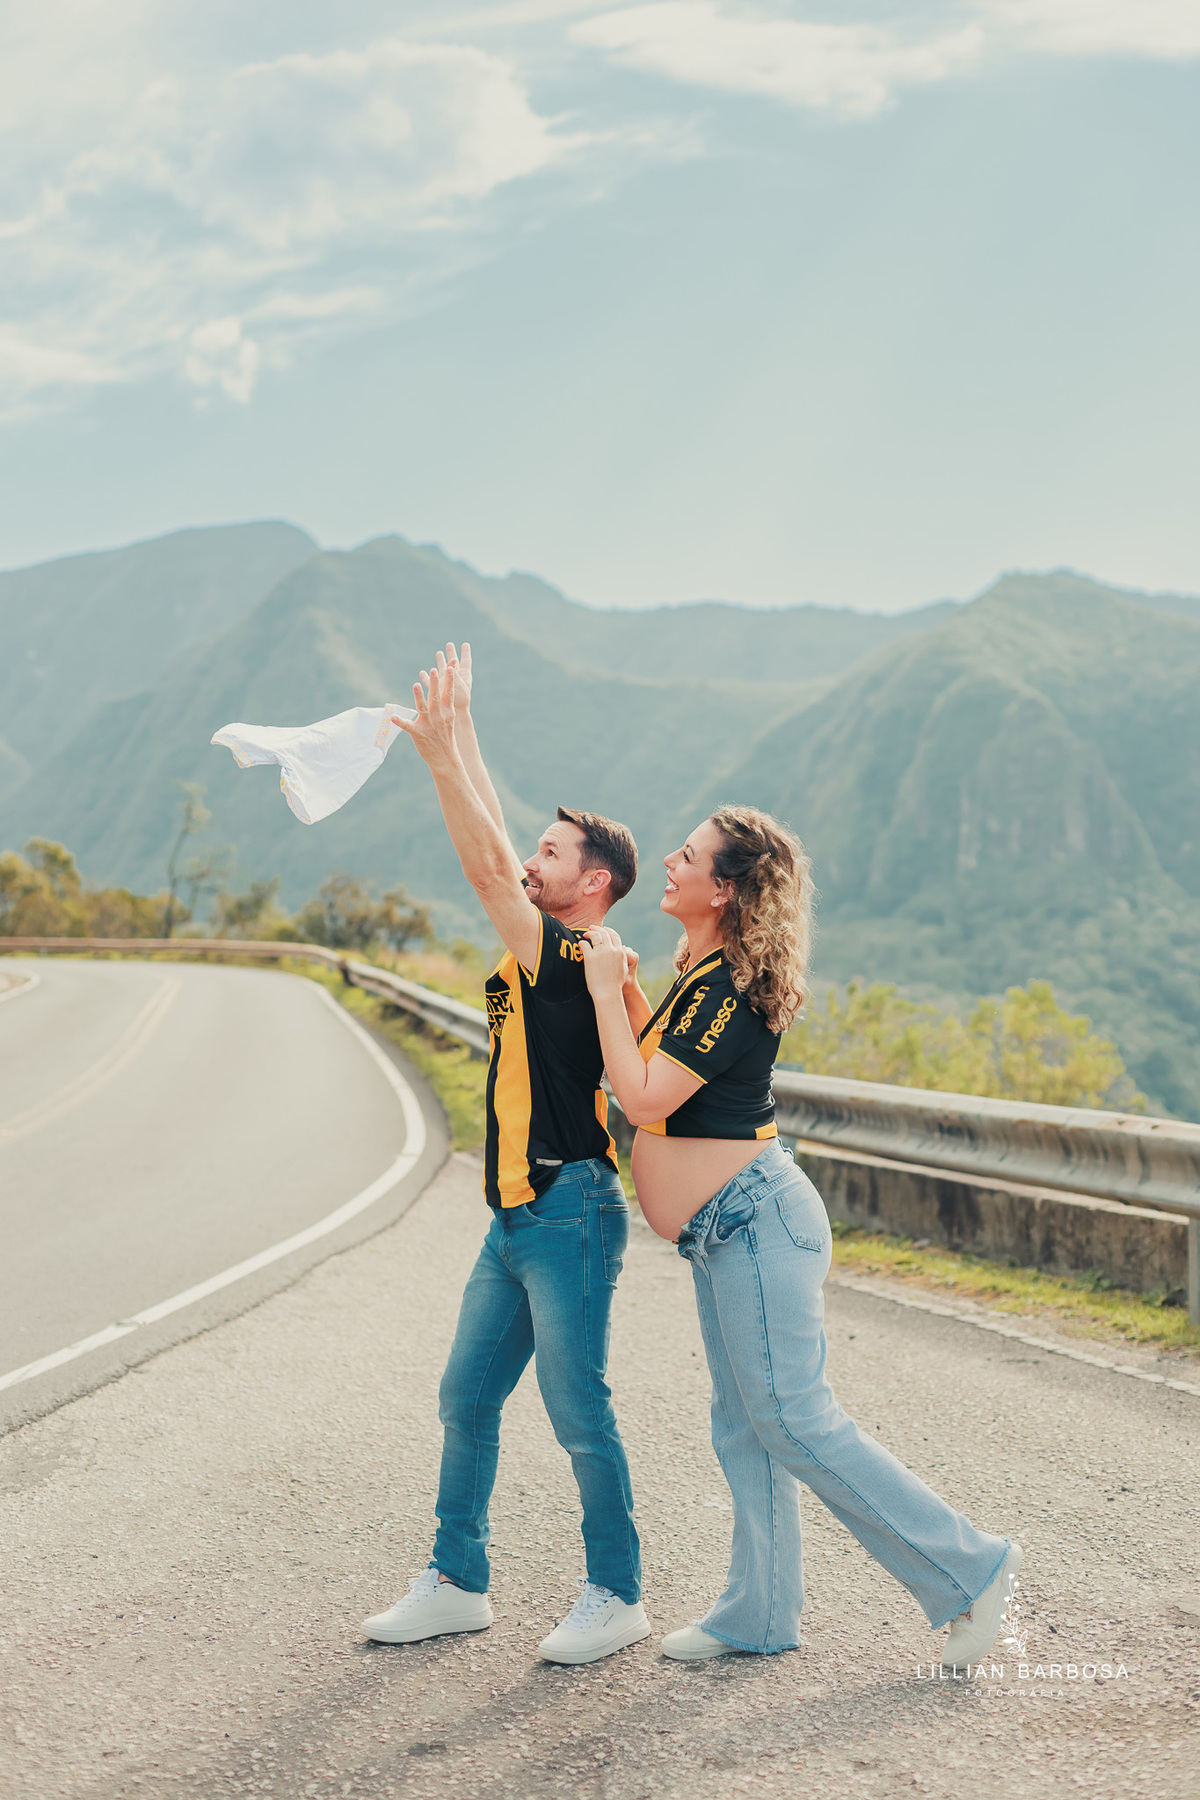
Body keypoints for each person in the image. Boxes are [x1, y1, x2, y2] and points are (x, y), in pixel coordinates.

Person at [578, 804, 1022, 1664]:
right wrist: (627, 987)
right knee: (745, 1425)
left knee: (794, 1419)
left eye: (689, 854)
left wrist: (601, 990)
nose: (669, 860)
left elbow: (640, 1099)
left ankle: (972, 1569)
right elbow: (654, 1057)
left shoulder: (732, 985)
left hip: (756, 1222)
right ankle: (760, 1615)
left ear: (728, 886)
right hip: (721, 1232)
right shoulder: (703, 973)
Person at [362, 646, 651, 1666]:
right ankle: (457, 1581)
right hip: (516, 1216)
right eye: (534, 849)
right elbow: (497, 841)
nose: (531, 861)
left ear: (595, 883)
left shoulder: (573, 960)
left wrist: (440, 753)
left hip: (572, 1211)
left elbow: (486, 862)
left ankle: (617, 1593)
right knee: (467, 1398)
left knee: (578, 1410)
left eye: (551, 854)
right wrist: (463, 733)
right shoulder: (547, 951)